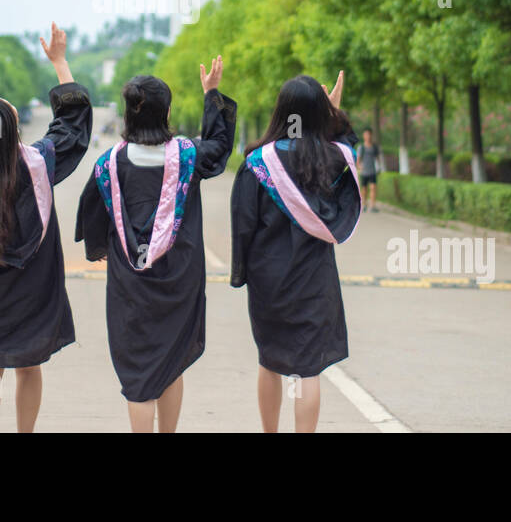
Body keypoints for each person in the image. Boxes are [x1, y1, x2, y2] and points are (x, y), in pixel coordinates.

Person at [75, 58, 237, 432]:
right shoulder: (187, 157)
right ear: (166, 112)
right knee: (172, 358)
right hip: (178, 280)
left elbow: (92, 215)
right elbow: (219, 145)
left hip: (130, 285)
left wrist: (99, 248)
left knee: (138, 373)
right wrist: (211, 94)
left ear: (127, 114)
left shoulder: (109, 165)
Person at [0, 23, 92, 433]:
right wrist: (60, 62)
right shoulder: (39, 162)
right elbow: (73, 124)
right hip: (35, 289)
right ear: (14, 132)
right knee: (29, 364)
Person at [229, 71, 362, 433]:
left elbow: (243, 223)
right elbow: (351, 148)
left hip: (269, 279)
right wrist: (334, 113)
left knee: (269, 361)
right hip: (314, 279)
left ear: (281, 111)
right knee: (309, 369)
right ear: (320, 114)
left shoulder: (258, 163)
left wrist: (241, 272)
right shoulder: (333, 160)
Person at [359, 126, 381, 212]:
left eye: (369, 134)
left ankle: (372, 206)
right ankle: (364, 204)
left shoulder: (374, 147)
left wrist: (379, 167)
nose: (368, 136)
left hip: (372, 171)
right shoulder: (362, 147)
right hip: (364, 172)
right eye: (366, 134)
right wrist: (360, 167)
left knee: (373, 188)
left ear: (371, 135)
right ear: (364, 136)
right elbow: (358, 160)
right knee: (364, 190)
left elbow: (377, 158)